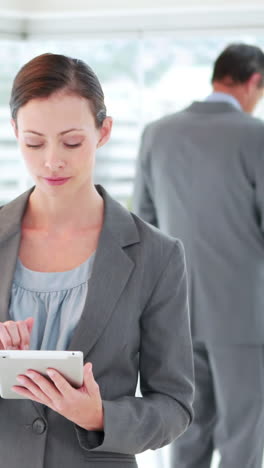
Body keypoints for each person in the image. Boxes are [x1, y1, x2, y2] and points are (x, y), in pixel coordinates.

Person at [0, 53, 194, 468]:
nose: (51, 160)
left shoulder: (155, 255)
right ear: (15, 131)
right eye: (34, 142)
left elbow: (175, 405)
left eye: (71, 141)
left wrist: (99, 415)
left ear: (103, 131)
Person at [133, 43, 264, 468]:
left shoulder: (157, 133)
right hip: (245, 313)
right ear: (253, 82)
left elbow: (143, 225)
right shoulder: (256, 135)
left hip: (176, 311)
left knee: (187, 429)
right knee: (243, 432)